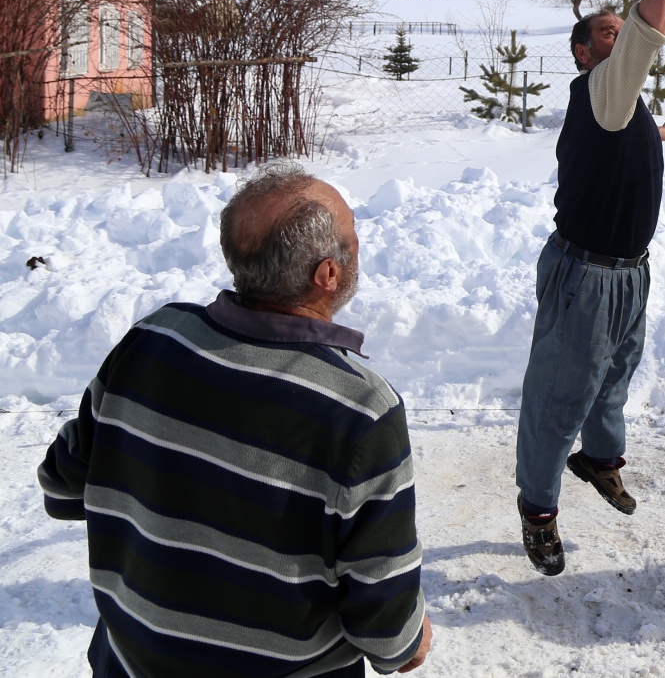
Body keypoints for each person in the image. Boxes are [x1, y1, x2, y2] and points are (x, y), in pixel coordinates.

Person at [38, 163, 432, 677]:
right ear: (327, 275)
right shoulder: (359, 409)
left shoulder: (153, 339)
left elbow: (63, 488)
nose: (358, 244)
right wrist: (410, 642)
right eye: (352, 236)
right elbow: (384, 628)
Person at [515, 0, 665, 576]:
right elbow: (648, 34)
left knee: (613, 380)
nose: (620, 38)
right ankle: (537, 509)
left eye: (620, 31)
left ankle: (598, 460)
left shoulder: (621, 105)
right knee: (558, 394)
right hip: (585, 275)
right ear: (583, 50)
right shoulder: (598, 87)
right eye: (607, 33)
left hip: (628, 271)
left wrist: (664, 134)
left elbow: (620, 140)